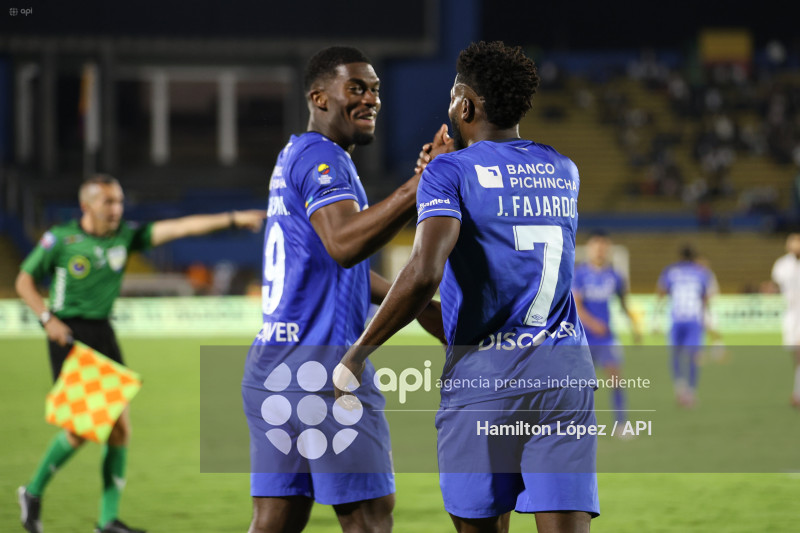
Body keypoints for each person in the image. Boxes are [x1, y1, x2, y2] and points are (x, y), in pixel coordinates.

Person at [335, 41, 599, 533]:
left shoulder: (448, 172)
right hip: (565, 375)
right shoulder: (565, 170)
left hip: (486, 381)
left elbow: (425, 272)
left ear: (465, 104)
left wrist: (357, 354)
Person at [241, 46, 446, 533]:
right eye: (356, 88)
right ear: (319, 97)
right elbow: (344, 245)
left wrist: (412, 303)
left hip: (272, 369)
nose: (371, 98)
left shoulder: (297, 153)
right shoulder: (322, 159)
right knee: (370, 519)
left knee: (275, 521)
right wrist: (420, 183)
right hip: (325, 372)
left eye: (375, 89)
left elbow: (335, 269)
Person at [15, 174, 266, 533]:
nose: (116, 209)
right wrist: (46, 319)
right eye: (108, 202)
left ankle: (106, 520)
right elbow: (24, 280)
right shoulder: (62, 240)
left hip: (104, 333)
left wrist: (232, 218)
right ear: (87, 206)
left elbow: (180, 227)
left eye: (118, 201)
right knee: (82, 429)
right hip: (70, 333)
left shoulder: (125, 237)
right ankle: (34, 492)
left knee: (119, 430)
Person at [572, 230, 641, 426]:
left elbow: (623, 302)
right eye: (597, 245)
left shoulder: (615, 276)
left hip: (606, 338)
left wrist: (634, 326)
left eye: (604, 245)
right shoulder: (580, 274)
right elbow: (576, 306)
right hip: (583, 338)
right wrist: (594, 324)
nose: (601, 250)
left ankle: (621, 424)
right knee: (580, 385)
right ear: (590, 248)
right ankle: (578, 426)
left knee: (616, 379)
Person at [655, 245, 714, 408]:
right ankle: (691, 392)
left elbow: (661, 293)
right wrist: (708, 319)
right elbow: (705, 298)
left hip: (676, 319)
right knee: (694, 356)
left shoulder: (670, 271)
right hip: (694, 320)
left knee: (675, 354)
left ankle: (680, 388)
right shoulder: (701, 273)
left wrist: (656, 319)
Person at [771, 232, 800, 408]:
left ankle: (797, 394)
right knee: (795, 356)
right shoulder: (782, 265)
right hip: (791, 314)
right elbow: (778, 284)